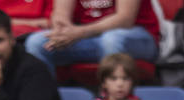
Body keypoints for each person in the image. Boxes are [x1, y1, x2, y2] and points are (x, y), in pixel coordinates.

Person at [24, 0, 158, 68]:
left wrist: (79, 32)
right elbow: (60, 15)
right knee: (36, 42)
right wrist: (63, 31)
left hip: (137, 38)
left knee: (112, 40)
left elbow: (124, 19)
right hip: (89, 38)